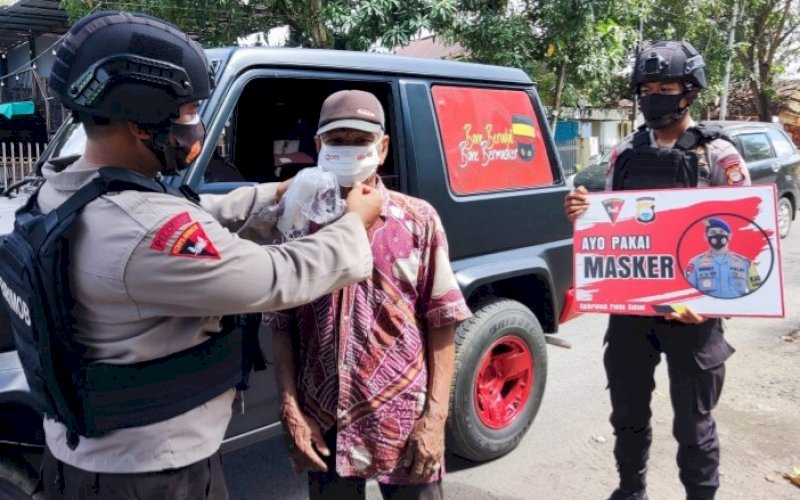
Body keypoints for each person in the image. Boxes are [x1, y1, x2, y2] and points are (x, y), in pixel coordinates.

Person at [10, 11, 383, 499]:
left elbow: (185, 213)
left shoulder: (55, 195)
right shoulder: (143, 229)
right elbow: (274, 276)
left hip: (84, 460)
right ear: (142, 123)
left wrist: (274, 193)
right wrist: (355, 224)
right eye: (187, 111)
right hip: (153, 476)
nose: (195, 124)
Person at [564, 41, 750, 500]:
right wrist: (582, 213)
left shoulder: (719, 154)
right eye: (646, 88)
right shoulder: (625, 151)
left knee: (694, 425)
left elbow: (746, 233)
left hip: (694, 317)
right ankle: (631, 491)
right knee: (627, 416)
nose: (655, 96)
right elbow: (614, 221)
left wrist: (709, 307)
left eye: (666, 86)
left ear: (690, 92)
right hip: (631, 314)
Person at [268, 90, 472, 500]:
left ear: (382, 147)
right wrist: (290, 408)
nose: (348, 150)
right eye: (337, 140)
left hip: (403, 418)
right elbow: (280, 322)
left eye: (359, 140)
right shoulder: (296, 221)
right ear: (319, 146)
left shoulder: (418, 220)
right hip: (322, 421)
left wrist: (435, 418)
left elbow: (442, 320)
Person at [685, 217, 761, 298]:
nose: (717, 235)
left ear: (730, 236)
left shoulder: (746, 263)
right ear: (706, 236)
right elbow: (689, 294)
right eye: (713, 232)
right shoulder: (695, 263)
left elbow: (757, 292)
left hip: (736, 309)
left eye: (721, 231)